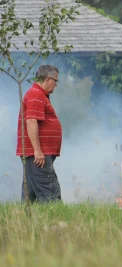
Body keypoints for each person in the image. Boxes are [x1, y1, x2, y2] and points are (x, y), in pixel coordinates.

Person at [16, 65, 63, 202]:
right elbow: (31, 122)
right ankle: (54, 220)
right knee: (50, 192)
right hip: (38, 154)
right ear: (48, 79)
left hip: (36, 154)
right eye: (56, 81)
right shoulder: (36, 94)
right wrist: (37, 151)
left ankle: (26, 219)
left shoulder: (39, 94)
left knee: (30, 193)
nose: (56, 85)